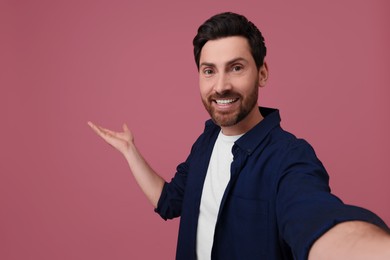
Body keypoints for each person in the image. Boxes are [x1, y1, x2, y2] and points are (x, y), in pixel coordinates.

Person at [88, 12, 390, 260]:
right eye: (209, 71)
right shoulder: (206, 142)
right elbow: (169, 201)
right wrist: (130, 151)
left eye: (235, 68)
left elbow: (315, 219)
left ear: (262, 73)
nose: (220, 85)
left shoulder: (290, 157)